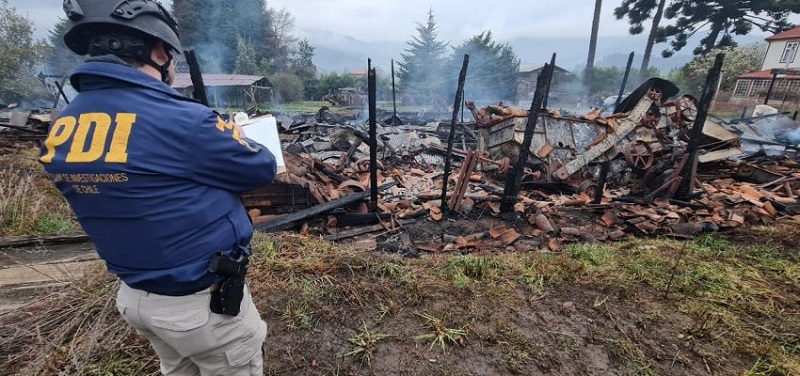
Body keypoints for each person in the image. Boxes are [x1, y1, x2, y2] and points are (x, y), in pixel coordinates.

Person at [39, 1, 277, 375]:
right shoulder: (179, 118)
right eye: (174, 59)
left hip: (136, 295)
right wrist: (228, 129)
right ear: (159, 50)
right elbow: (260, 167)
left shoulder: (65, 123)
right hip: (200, 303)